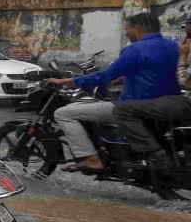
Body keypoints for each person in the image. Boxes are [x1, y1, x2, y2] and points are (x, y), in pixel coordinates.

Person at [47, 12, 180, 172]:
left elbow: (105, 75)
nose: (126, 33)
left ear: (137, 27)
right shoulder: (172, 46)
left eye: (127, 29)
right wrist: (124, 79)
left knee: (64, 113)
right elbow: (154, 72)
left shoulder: (135, 49)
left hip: (134, 105)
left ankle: (91, 158)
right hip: (166, 104)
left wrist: (67, 81)